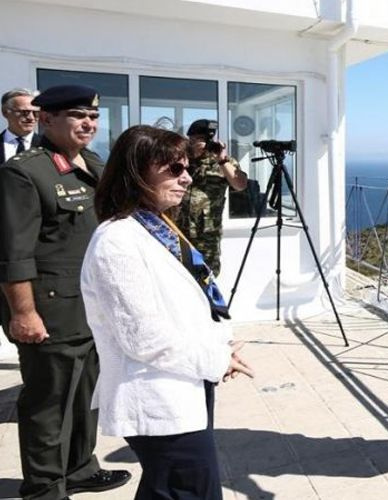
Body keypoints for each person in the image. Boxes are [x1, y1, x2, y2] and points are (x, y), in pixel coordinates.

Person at [80, 125, 253, 500]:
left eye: (187, 167)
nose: (187, 177)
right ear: (136, 172)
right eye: (174, 170)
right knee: (189, 489)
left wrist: (220, 342)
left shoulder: (152, 223)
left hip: (180, 382)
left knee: (173, 488)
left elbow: (188, 298)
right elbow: (144, 337)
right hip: (155, 394)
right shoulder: (117, 242)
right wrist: (216, 359)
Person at [0, 84, 131, 499]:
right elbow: (12, 253)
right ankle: (44, 487)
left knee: (85, 396)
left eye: (93, 116)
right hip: (51, 311)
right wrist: (23, 313)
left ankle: (79, 468)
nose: (88, 123)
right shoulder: (24, 172)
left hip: (91, 308)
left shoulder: (93, 163)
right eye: (77, 115)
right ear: (46, 118)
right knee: (48, 403)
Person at [175, 119, 248, 276]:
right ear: (190, 140)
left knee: (207, 277)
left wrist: (222, 159)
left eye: (205, 140)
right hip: (178, 230)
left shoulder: (222, 163)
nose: (203, 144)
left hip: (207, 235)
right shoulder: (182, 160)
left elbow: (240, 185)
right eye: (197, 140)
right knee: (177, 274)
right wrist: (190, 155)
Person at [1, 88, 41, 165]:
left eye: (36, 113)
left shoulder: (49, 147)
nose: (31, 118)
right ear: (5, 112)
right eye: (24, 112)